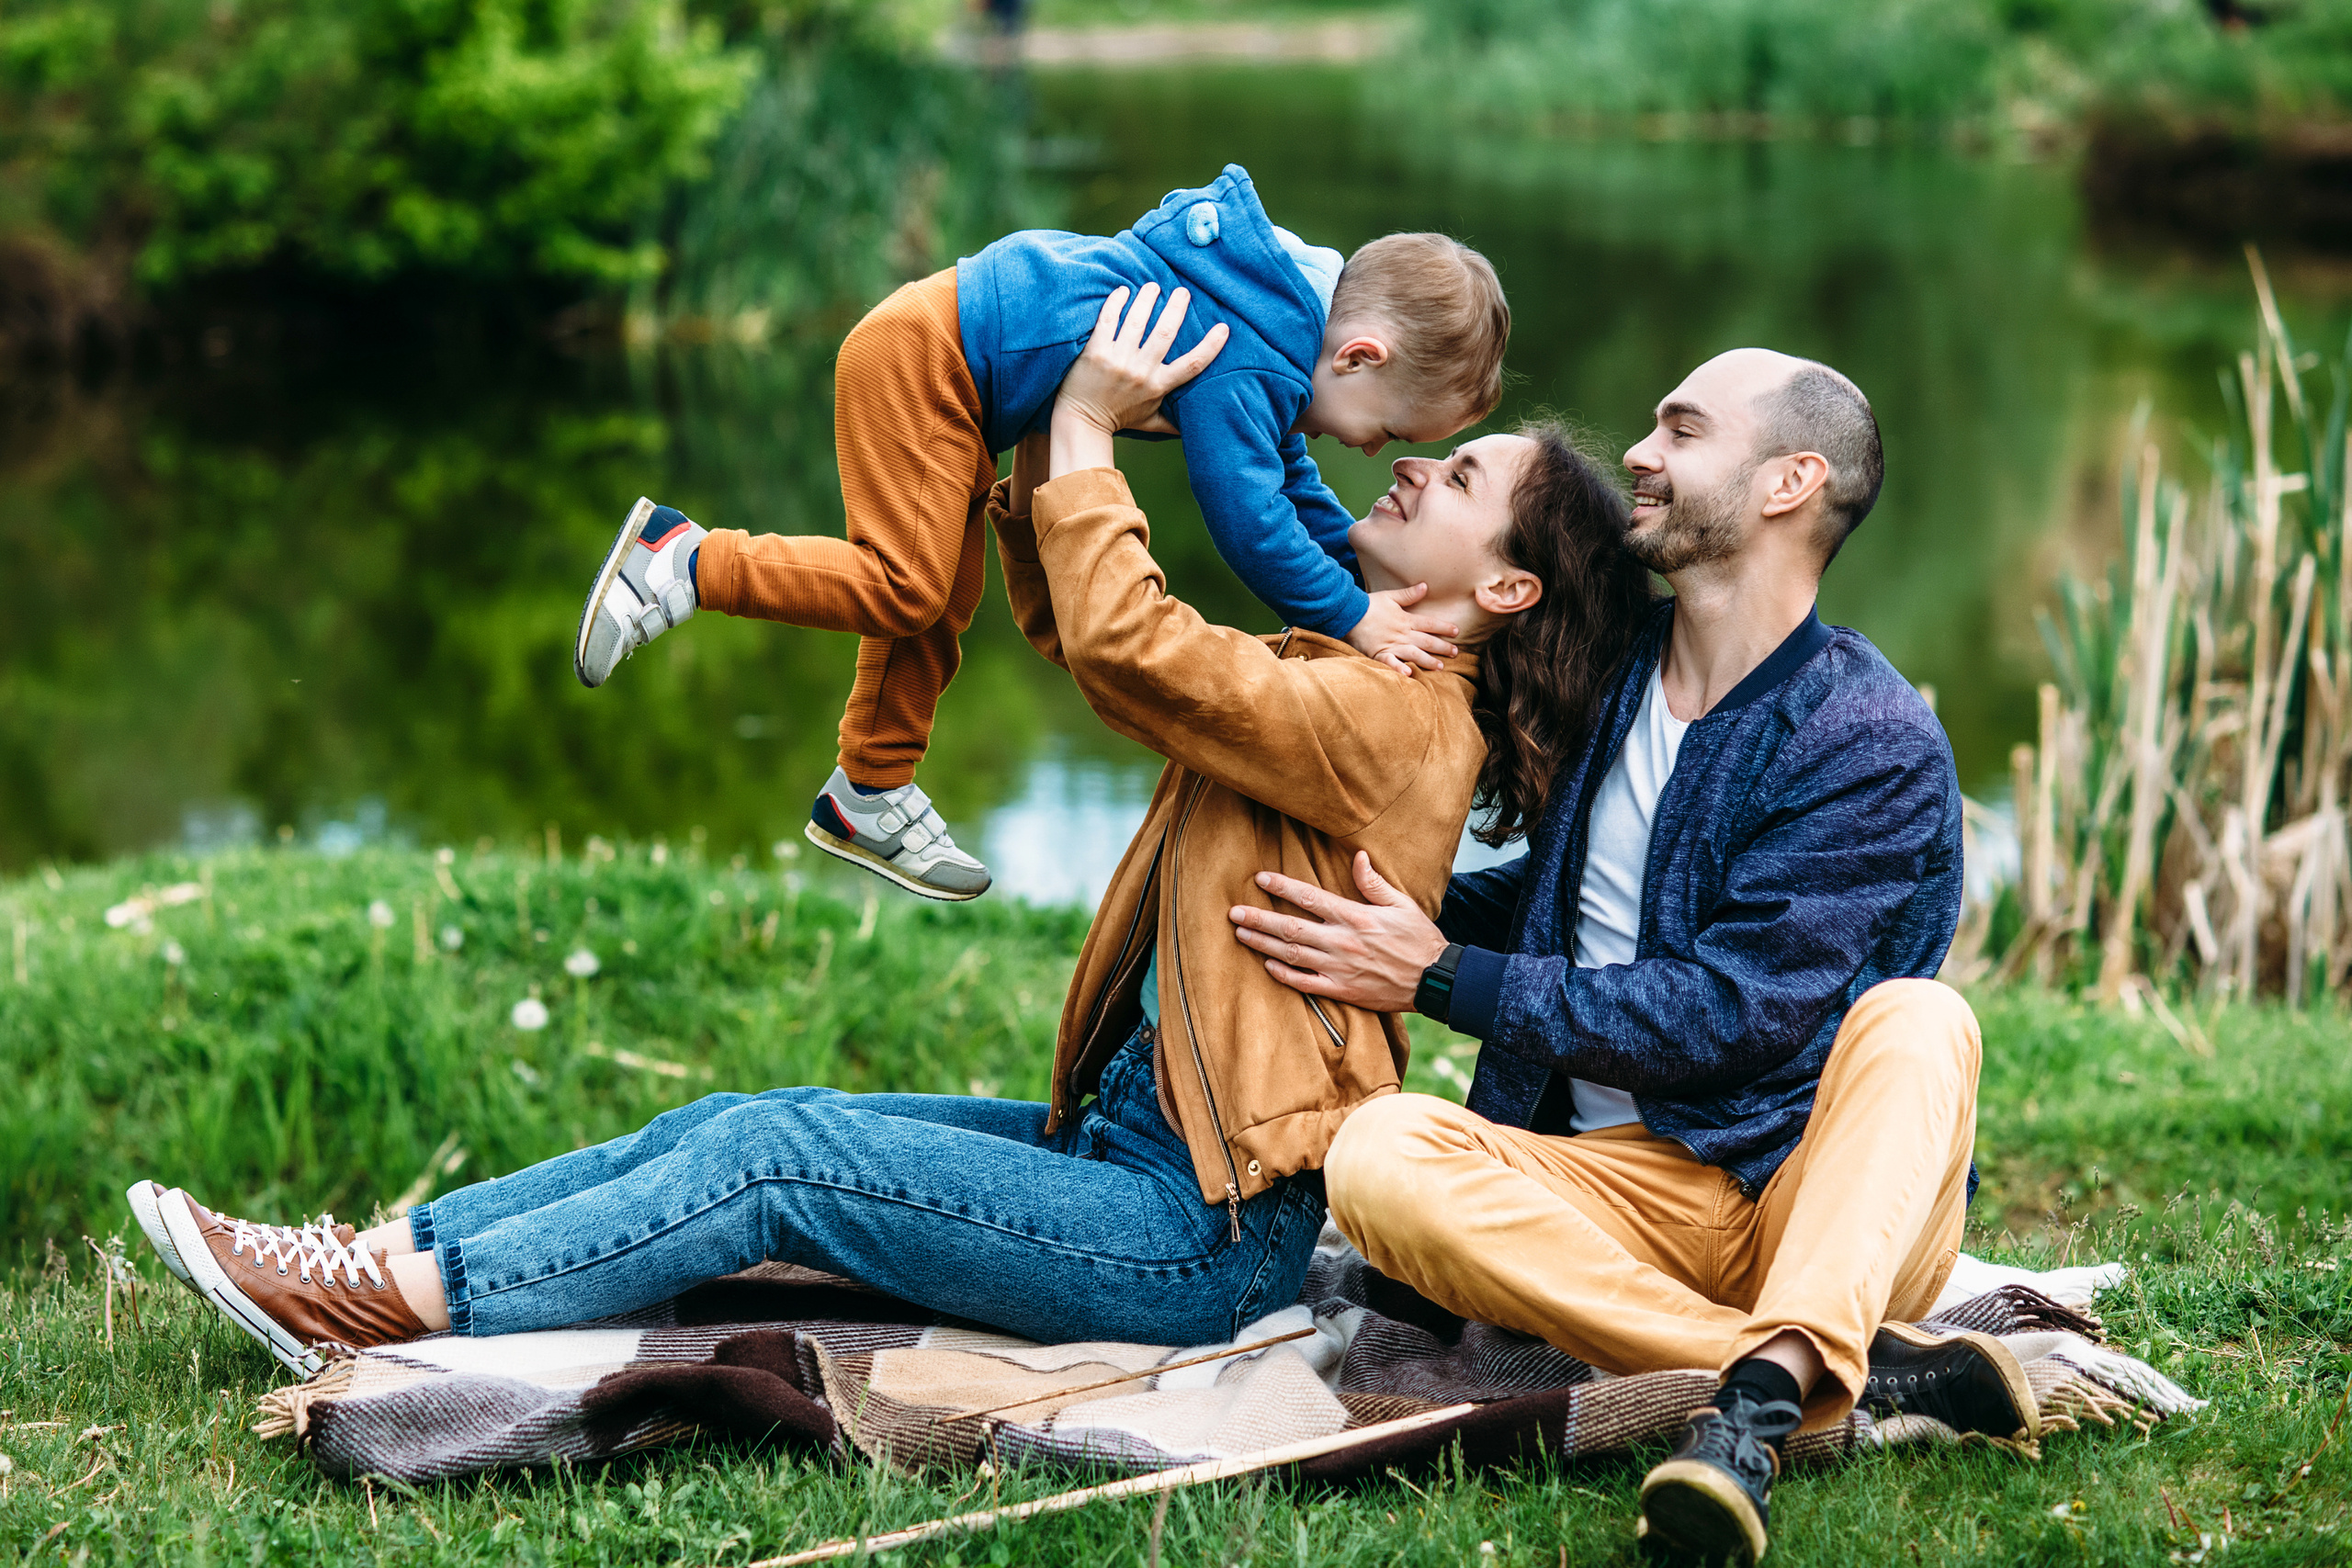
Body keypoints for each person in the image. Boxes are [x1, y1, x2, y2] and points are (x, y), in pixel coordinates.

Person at [127, 287, 1648, 1380]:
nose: (1409, 466)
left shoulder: (1397, 720)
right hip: (1140, 1147)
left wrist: (1097, 427)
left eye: (1455, 478)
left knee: (780, 1157)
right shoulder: (1361, 670)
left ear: (1506, 589)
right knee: (732, 1120)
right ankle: (376, 1250)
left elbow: (1139, 650)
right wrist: (1037, 455)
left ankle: (391, 1300)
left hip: (1199, 1230)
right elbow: (1105, 643)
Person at [1226, 348, 2036, 1562]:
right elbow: (1581, 905)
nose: (1642, 458)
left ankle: (1756, 1413)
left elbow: (1731, 1013)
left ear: (1788, 481)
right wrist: (1397, 899)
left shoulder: (1866, 735)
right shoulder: (1615, 678)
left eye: (1682, 430)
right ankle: (1816, 1366)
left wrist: (1438, 976)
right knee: (1381, 1150)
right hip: (1617, 1186)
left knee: (1923, 1021)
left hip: (1803, 1185)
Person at [571, 164, 1510, 902]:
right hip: (931, 356)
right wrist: (1353, 615)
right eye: (1382, 429)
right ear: (1357, 356)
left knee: (940, 599)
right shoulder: (1255, 352)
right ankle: (685, 558)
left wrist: (1366, 567)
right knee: (903, 586)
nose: (1367, 450)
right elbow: (1249, 520)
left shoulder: (1275, 323)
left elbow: (1289, 487)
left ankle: (870, 788)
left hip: (963, 377)